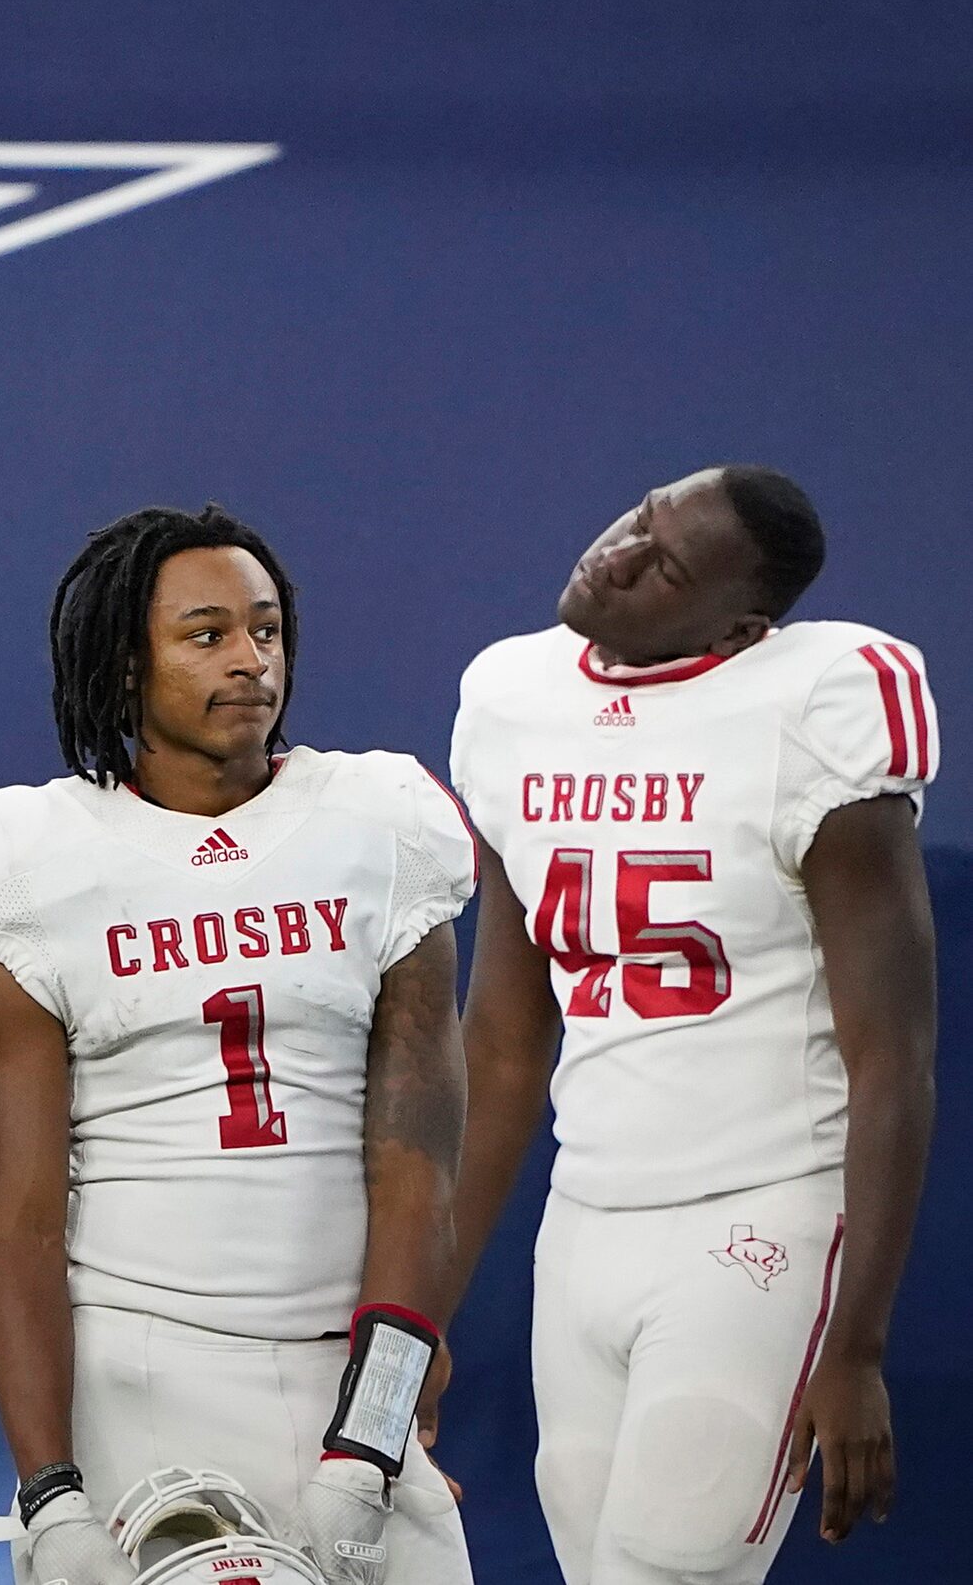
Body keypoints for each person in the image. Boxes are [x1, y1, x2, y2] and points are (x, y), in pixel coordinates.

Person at [0, 503, 475, 1585]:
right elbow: (19, 1221)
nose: (249, 661)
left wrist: (370, 1432)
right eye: (205, 634)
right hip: (141, 1369)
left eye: (265, 630)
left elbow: (417, 1160)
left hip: (345, 1359)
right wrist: (50, 1494)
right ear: (123, 665)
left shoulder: (378, 819)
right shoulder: (32, 856)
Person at [444, 466, 936, 1583]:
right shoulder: (512, 697)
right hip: (585, 1218)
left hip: (761, 1211)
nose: (613, 554)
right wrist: (419, 1313)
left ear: (741, 623)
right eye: (634, 518)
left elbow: (891, 1059)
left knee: (663, 1566)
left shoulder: (817, 707)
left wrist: (854, 1345)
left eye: (661, 563)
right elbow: (504, 1046)